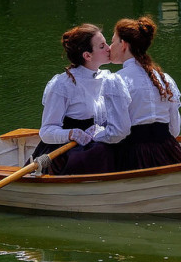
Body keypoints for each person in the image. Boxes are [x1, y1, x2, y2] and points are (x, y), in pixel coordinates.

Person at [28, 23, 118, 175]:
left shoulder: (108, 78)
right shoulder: (62, 85)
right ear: (87, 55)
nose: (109, 48)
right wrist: (71, 133)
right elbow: (46, 131)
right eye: (102, 46)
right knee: (101, 152)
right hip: (68, 152)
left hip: (99, 144)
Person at [108, 16, 181, 171]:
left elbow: (118, 133)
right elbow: (174, 130)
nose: (109, 47)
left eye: (113, 41)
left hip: (133, 154)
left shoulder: (116, 80)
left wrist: (95, 136)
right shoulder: (165, 79)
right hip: (168, 150)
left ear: (123, 45)